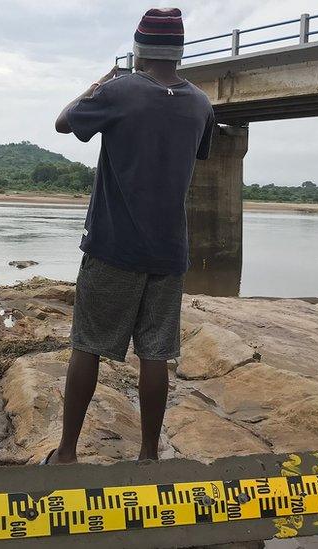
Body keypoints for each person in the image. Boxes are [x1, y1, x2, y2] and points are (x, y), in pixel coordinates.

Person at [45, 7, 216, 464]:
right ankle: (147, 457)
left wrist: (96, 86)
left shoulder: (119, 92)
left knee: (87, 346)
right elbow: (199, 152)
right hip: (168, 251)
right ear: (180, 52)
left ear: (138, 48)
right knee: (155, 354)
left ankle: (66, 453)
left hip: (112, 245)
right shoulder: (201, 103)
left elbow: (65, 123)